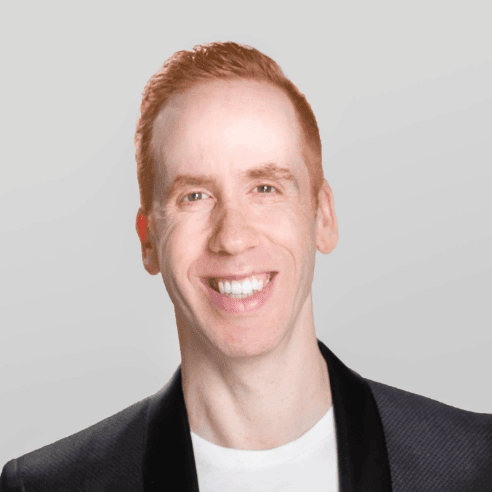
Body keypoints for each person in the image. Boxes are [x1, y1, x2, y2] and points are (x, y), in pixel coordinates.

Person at [1, 41, 491, 492]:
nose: (232, 238)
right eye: (194, 196)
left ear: (322, 216)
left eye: (265, 188)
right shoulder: (46, 486)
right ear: (148, 240)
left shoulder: (475, 464)